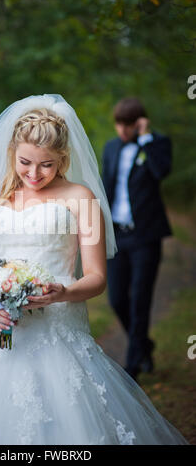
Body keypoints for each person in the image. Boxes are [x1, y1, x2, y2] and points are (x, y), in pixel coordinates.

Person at [0, 94, 188, 445]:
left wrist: (64, 292)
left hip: (60, 330)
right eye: (25, 162)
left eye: (47, 165)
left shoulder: (83, 199)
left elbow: (97, 277)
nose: (34, 174)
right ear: (11, 152)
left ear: (63, 159)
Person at [101, 97, 173, 382]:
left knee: (140, 300)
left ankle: (132, 367)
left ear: (139, 123)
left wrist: (146, 138)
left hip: (146, 236)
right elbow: (105, 185)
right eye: (119, 124)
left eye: (128, 125)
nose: (122, 130)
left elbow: (160, 172)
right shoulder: (110, 147)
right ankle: (143, 344)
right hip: (118, 234)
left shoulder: (157, 144)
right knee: (117, 298)